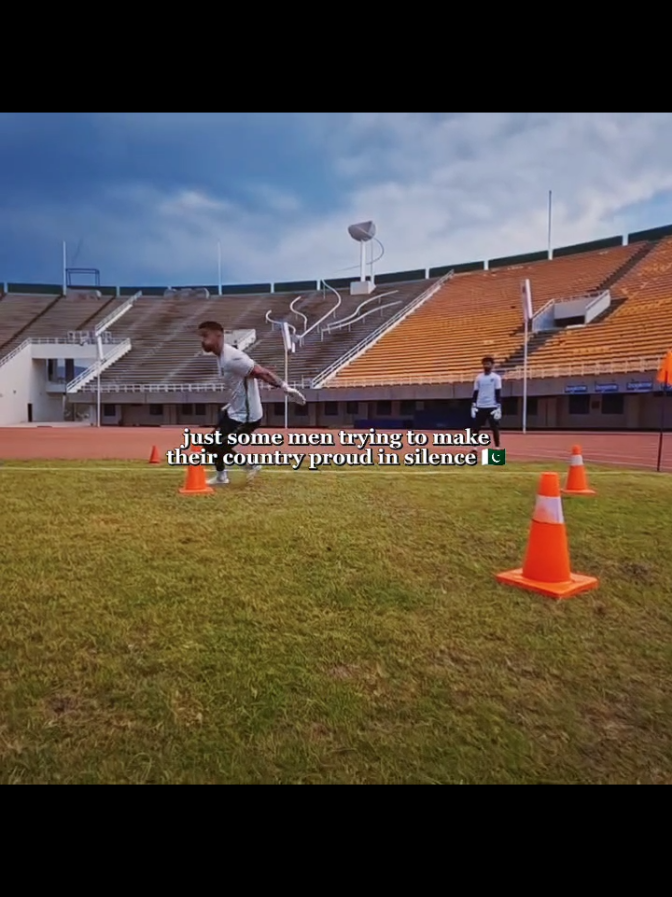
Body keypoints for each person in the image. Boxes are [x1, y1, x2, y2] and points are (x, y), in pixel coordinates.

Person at [197, 321, 306, 485]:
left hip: (247, 417)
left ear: (218, 335)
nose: (202, 341)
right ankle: (223, 476)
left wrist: (285, 387)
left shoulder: (233, 357)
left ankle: (249, 466)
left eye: (205, 336)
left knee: (218, 445)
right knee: (211, 444)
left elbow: (261, 372)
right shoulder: (221, 357)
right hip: (235, 411)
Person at [471, 355, 502, 447]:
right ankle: (474, 447)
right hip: (480, 406)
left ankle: (497, 447)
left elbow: (498, 392)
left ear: (492, 365)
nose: (486, 366)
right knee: (476, 428)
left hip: (492, 406)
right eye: (484, 364)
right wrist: (473, 404)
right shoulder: (479, 377)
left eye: (488, 364)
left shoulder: (496, 378)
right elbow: (475, 392)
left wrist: (498, 406)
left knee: (494, 428)